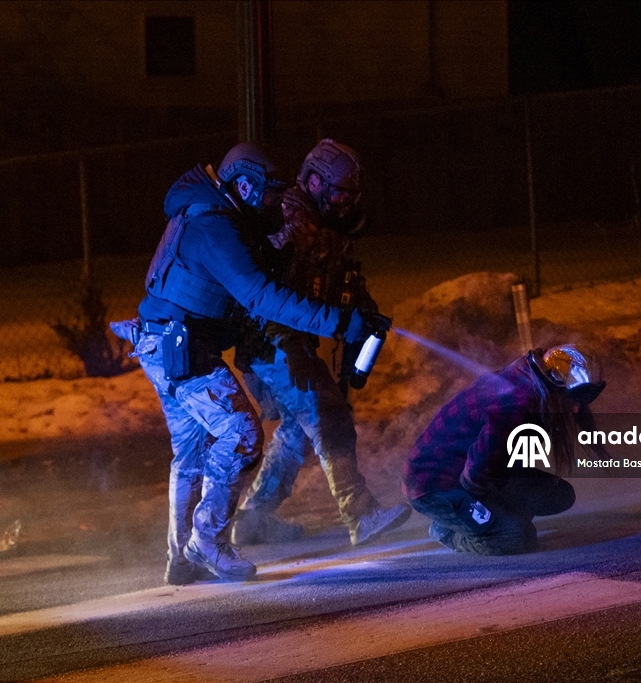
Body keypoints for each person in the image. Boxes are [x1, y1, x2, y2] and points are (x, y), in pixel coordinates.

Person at [115, 142, 385, 585]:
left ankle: (181, 557)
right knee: (241, 434)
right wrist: (336, 322)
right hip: (183, 346)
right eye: (268, 194)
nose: (274, 203)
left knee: (191, 453)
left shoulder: (208, 215)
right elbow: (261, 295)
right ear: (243, 185)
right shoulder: (215, 228)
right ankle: (208, 543)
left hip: (164, 342)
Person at [230, 139, 411, 547]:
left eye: (351, 196)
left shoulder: (318, 225)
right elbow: (274, 298)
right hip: (272, 341)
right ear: (313, 182)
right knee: (326, 413)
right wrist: (327, 329)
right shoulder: (291, 224)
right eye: (339, 193)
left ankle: (253, 518)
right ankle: (360, 514)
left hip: (286, 341)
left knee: (298, 426)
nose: (346, 204)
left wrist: (361, 311)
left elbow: (334, 279)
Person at [402, 344, 607, 555]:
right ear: (554, 386)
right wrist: (481, 514)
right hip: (435, 488)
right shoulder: (511, 403)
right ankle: (446, 530)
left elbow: (504, 462)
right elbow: (475, 470)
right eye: (573, 400)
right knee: (515, 537)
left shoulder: (531, 383)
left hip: (470, 474)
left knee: (559, 495)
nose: (576, 409)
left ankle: (489, 520)